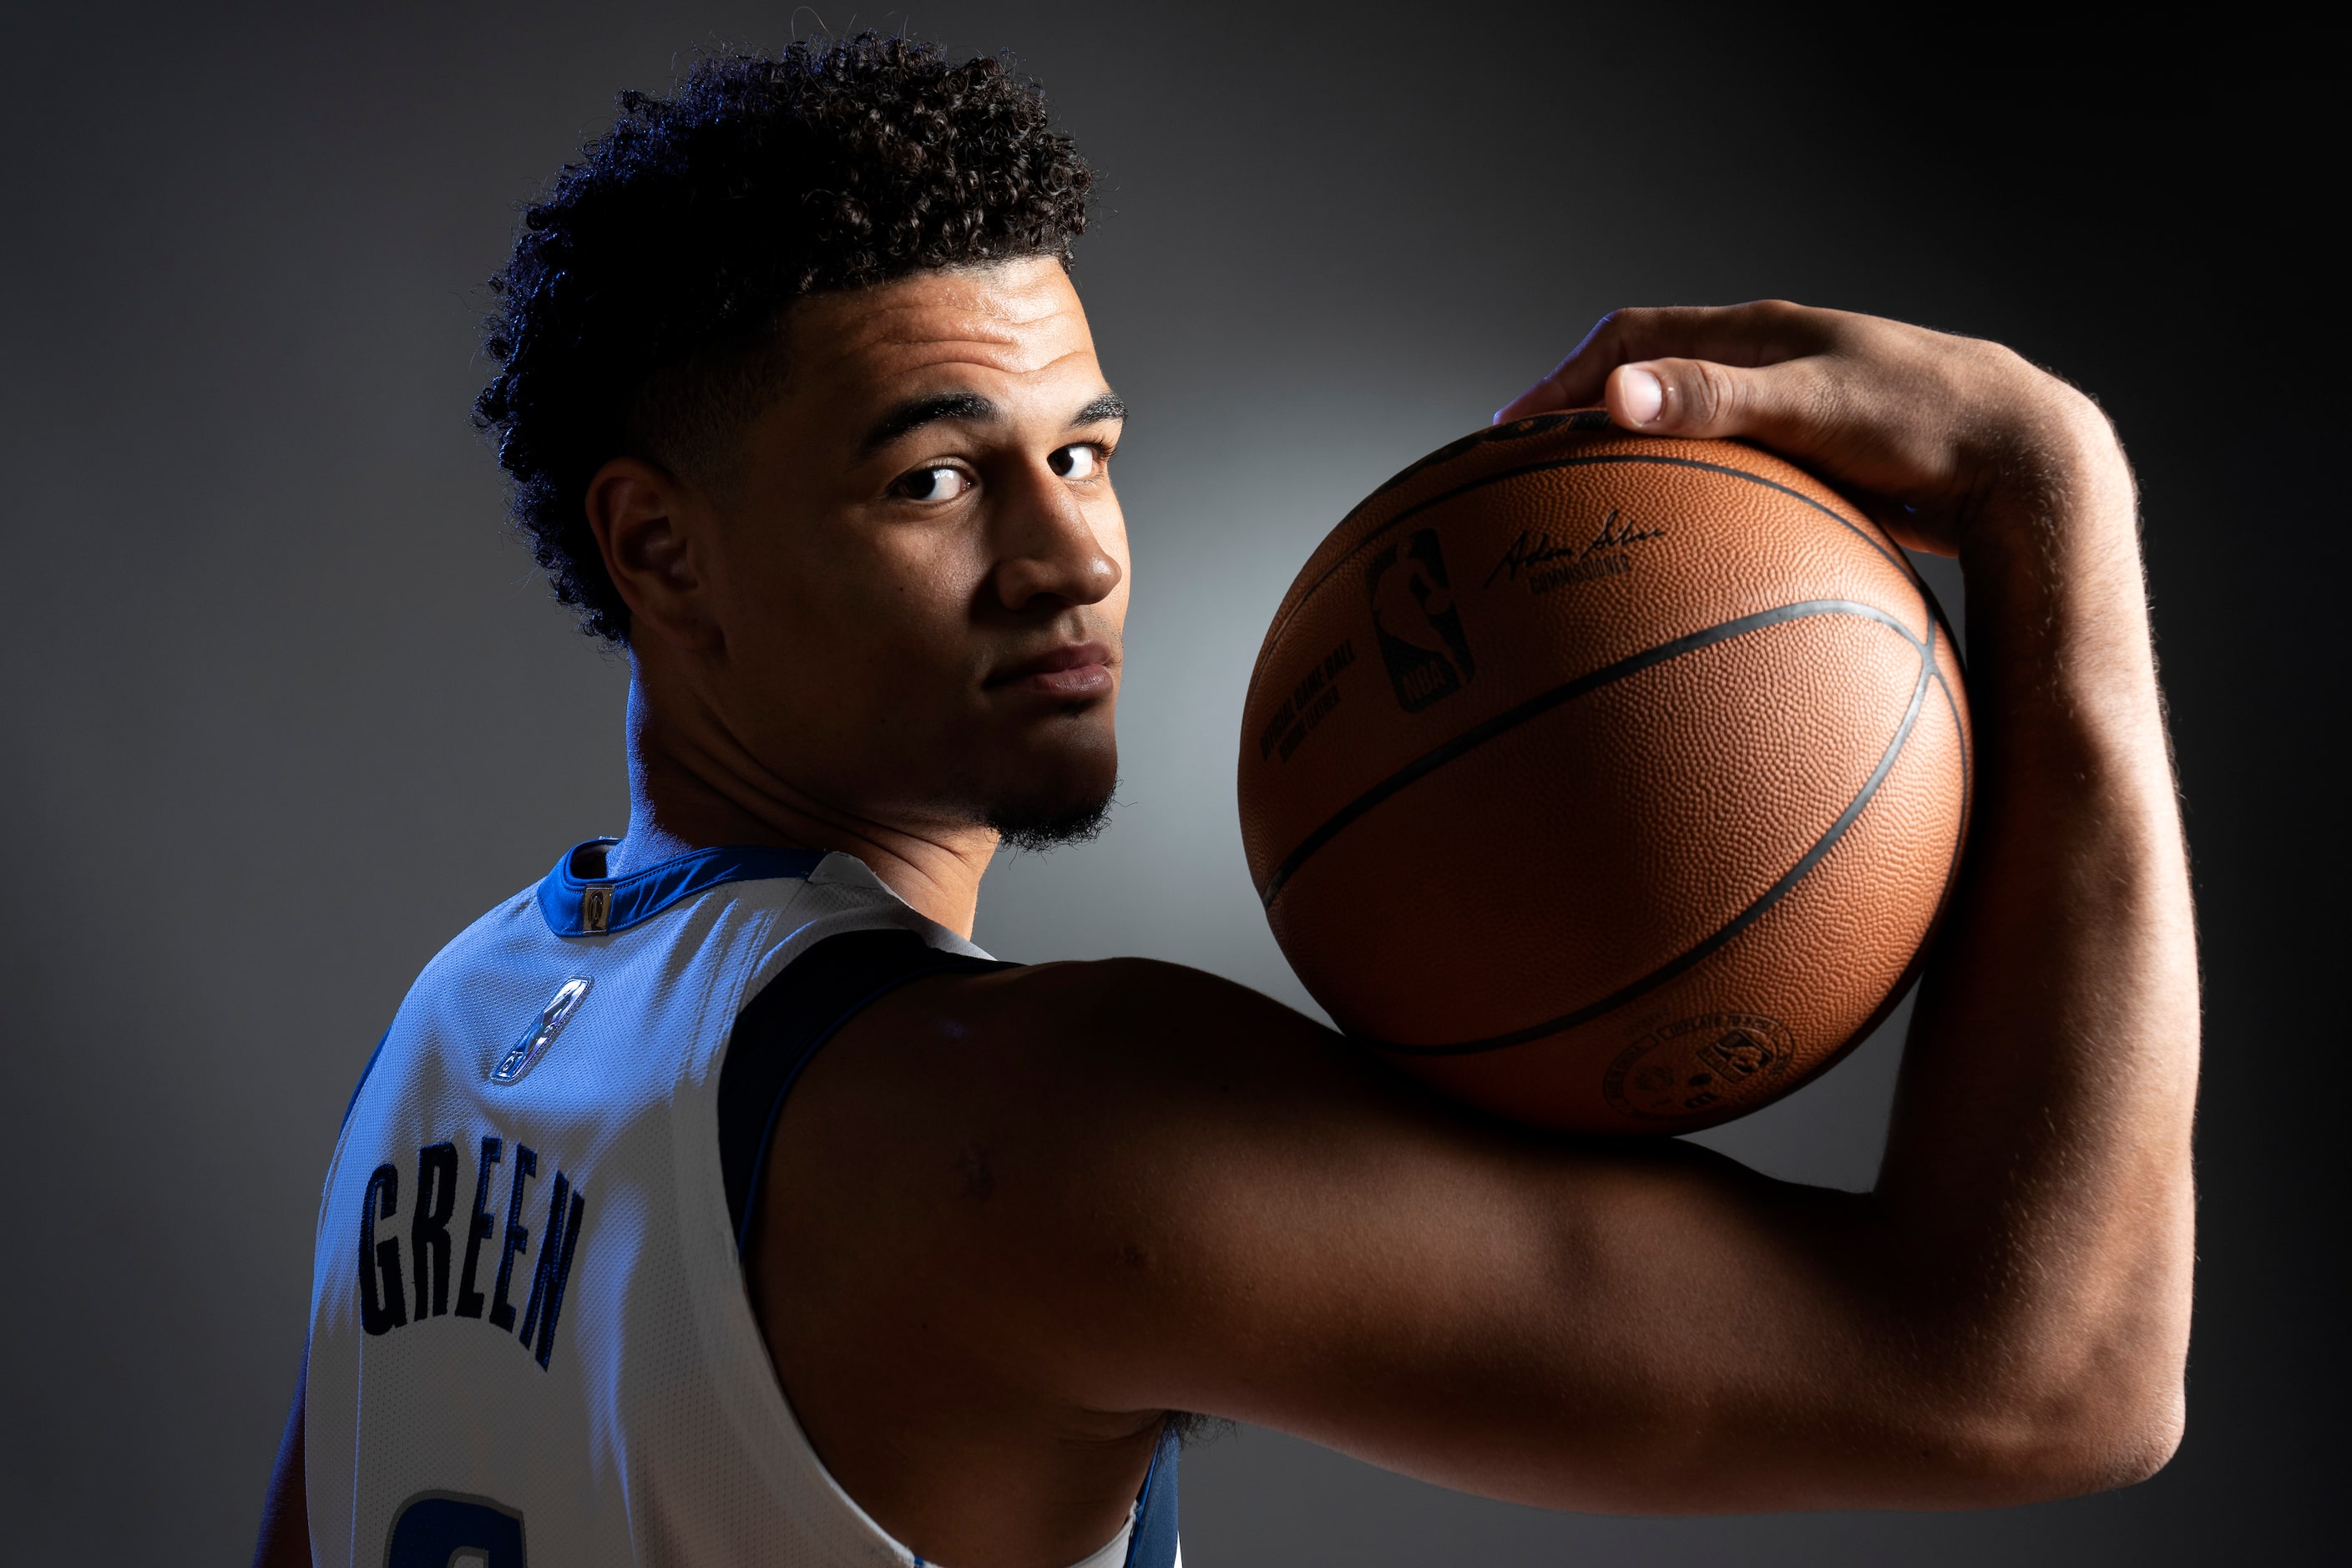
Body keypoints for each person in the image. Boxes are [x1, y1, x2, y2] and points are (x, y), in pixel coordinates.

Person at [255, 34, 2197, 1568]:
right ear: (659, 554)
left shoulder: (448, 1033)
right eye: (933, 479)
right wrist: (2056, 493)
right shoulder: (1025, 1122)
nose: (1068, 556)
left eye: (1081, 452)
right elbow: (2043, 1379)